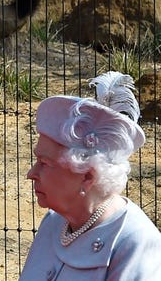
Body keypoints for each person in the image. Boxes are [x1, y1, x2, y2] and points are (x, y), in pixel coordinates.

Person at [20, 71, 161, 281]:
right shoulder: (54, 223)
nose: (31, 174)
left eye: (44, 163)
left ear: (87, 176)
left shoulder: (135, 243)